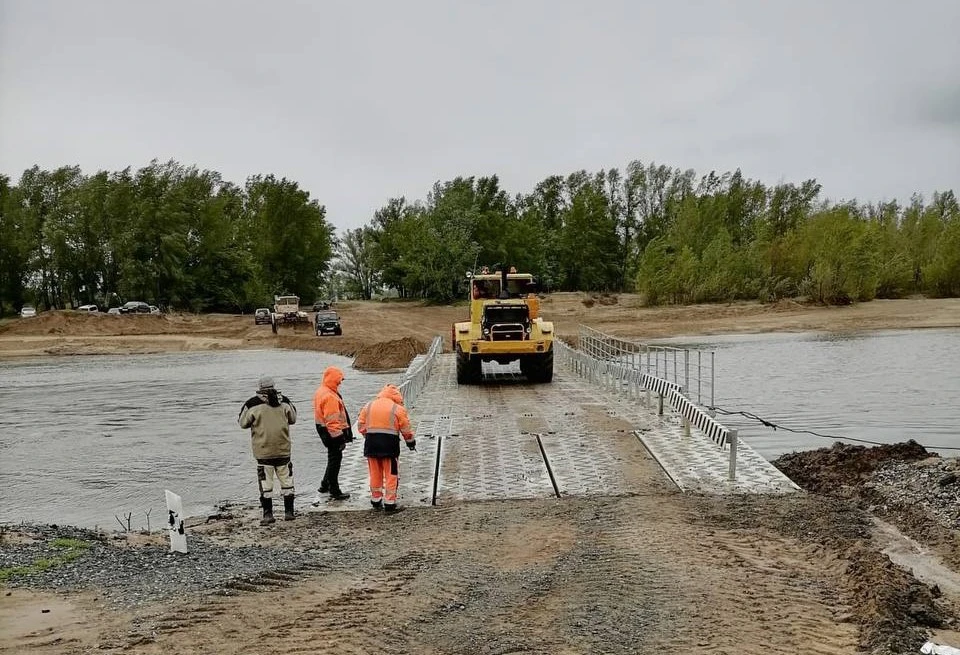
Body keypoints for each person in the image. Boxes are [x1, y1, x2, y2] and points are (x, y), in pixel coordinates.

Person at [238, 375, 298, 525]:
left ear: (259, 387)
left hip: (263, 450)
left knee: (266, 483)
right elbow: (293, 419)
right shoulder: (284, 401)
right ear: (274, 385)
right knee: (287, 481)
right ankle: (289, 512)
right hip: (283, 448)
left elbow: (242, 423)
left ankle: (268, 514)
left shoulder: (252, 404)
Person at [357, 384, 416, 513]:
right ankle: (390, 502)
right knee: (391, 474)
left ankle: (375, 499)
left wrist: (367, 435)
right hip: (390, 446)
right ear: (397, 397)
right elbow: (406, 429)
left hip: (371, 444)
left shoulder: (369, 406)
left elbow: (360, 425)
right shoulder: (397, 409)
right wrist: (410, 442)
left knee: (374, 473)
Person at [313, 365, 352, 501]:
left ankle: (325, 485)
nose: (340, 382)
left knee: (332, 458)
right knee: (335, 460)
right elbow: (332, 421)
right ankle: (334, 490)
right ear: (333, 379)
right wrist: (340, 439)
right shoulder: (330, 396)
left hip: (322, 429)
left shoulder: (322, 391)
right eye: (339, 380)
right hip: (331, 432)